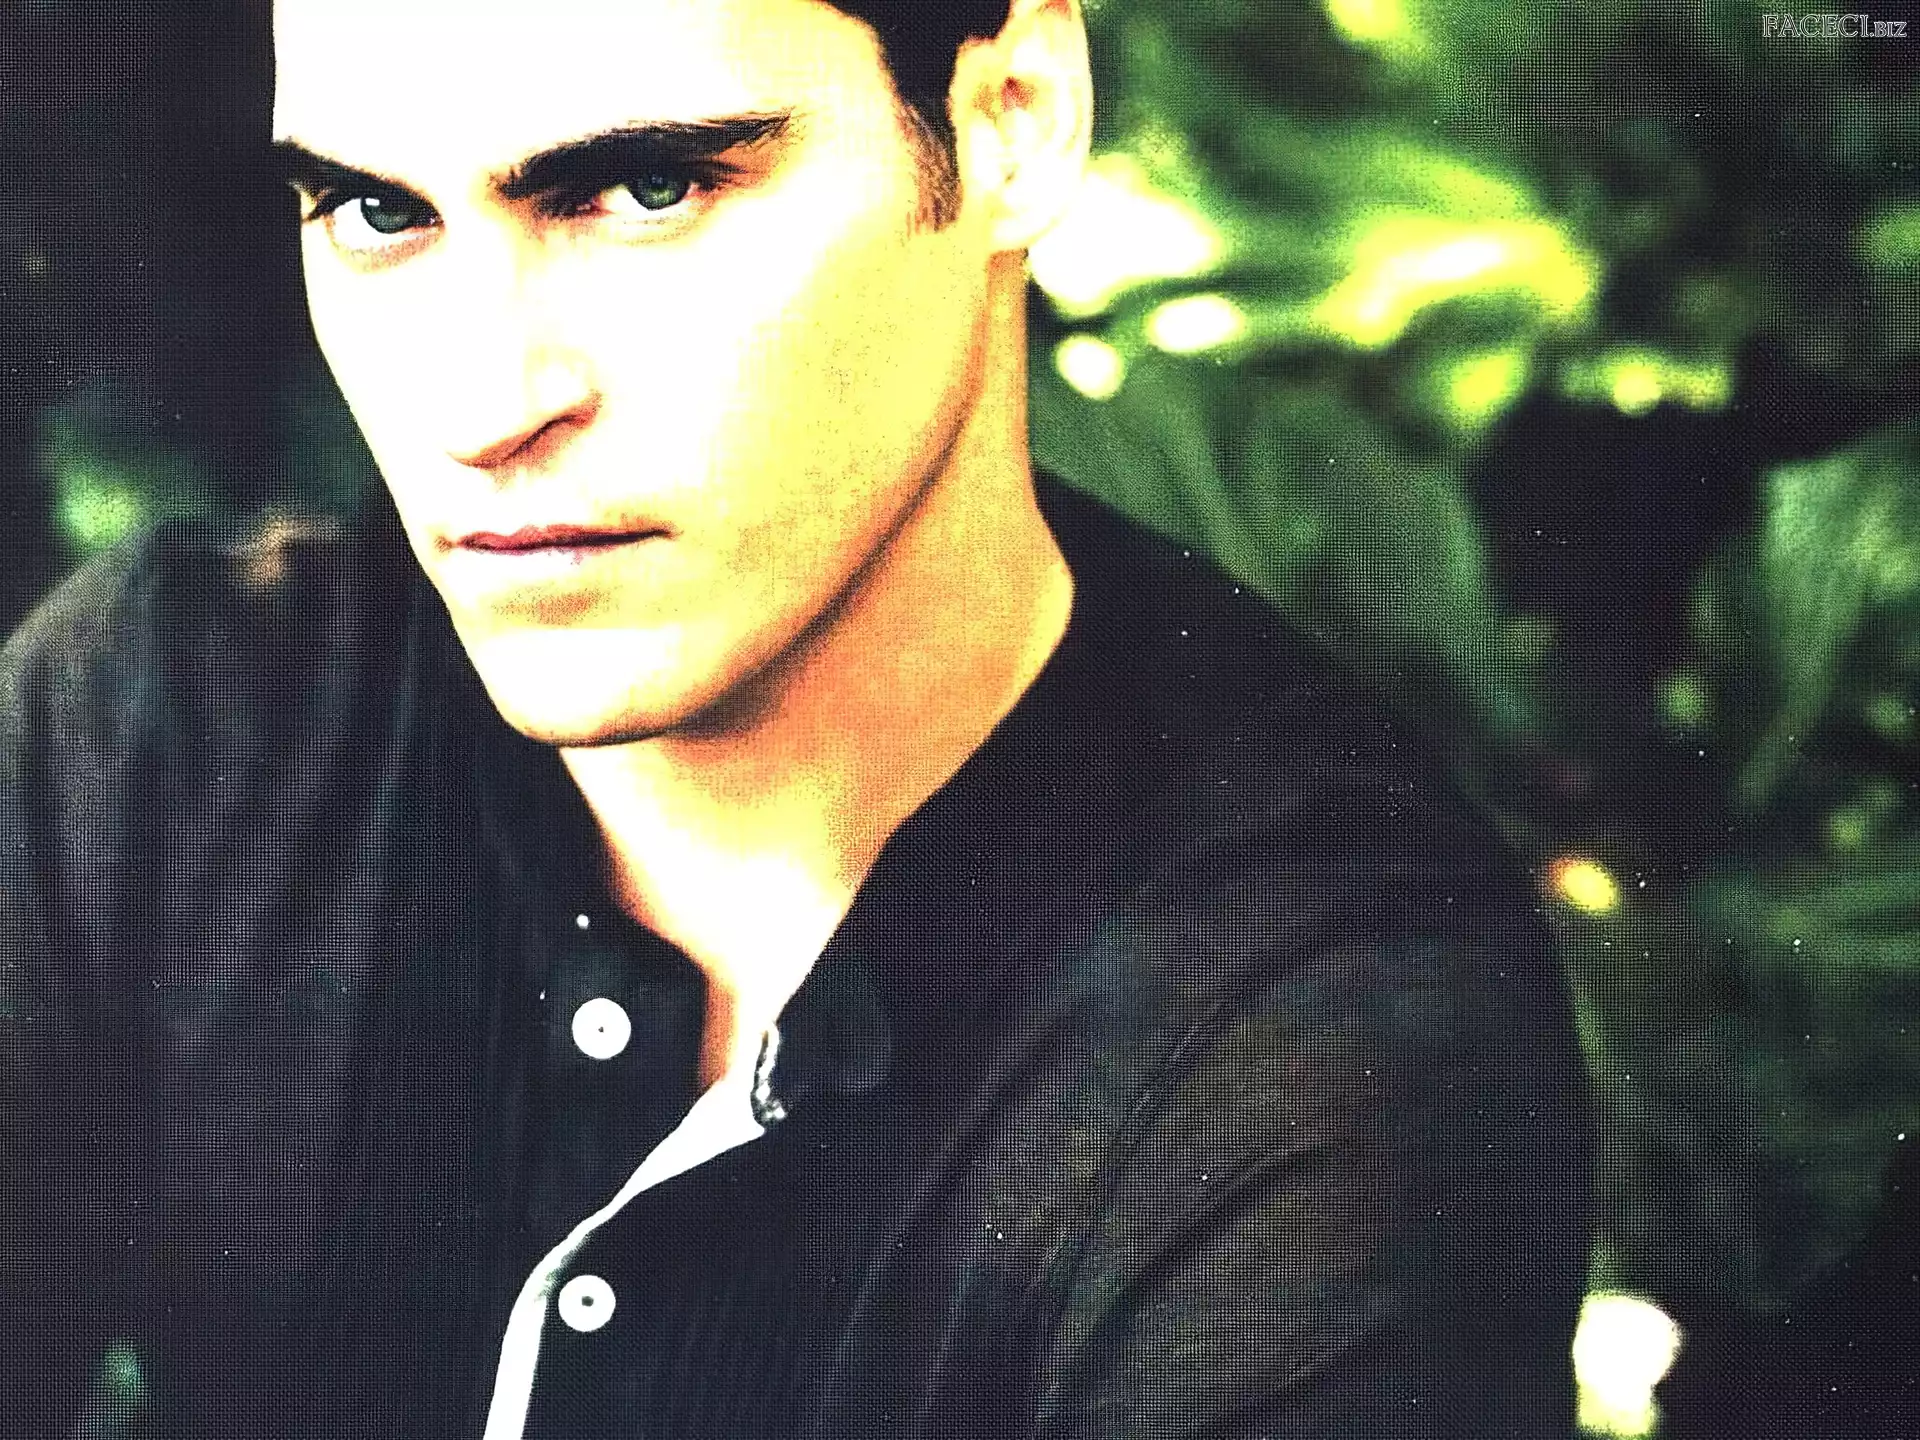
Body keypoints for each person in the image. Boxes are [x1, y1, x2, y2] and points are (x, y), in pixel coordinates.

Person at [0, 0, 1594, 1435]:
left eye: (649, 189)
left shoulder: (1311, 1031)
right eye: (375, 212)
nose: (480, 406)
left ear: (1013, 119)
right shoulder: (174, 724)